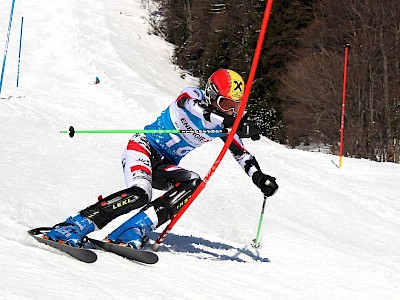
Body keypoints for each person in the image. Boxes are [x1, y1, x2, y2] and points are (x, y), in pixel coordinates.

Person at [44, 69, 279, 249]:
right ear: (211, 94)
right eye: (226, 104)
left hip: (164, 164)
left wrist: (259, 178)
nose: (230, 111)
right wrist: (229, 122)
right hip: (142, 148)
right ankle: (72, 226)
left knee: (193, 183)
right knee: (140, 194)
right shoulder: (193, 96)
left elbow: (242, 154)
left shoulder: (225, 125)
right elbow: (191, 106)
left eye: (235, 107)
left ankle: (132, 230)